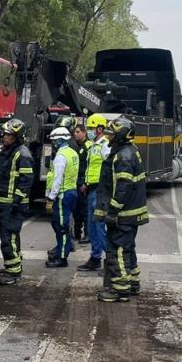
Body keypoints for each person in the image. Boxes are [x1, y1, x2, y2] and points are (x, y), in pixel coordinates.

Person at [94, 116, 148, 303]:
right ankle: (133, 283)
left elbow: (122, 188)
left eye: (112, 134)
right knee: (128, 248)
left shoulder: (122, 156)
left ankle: (120, 289)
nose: (108, 137)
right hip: (132, 213)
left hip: (123, 215)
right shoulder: (130, 151)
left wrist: (112, 212)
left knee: (117, 250)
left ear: (121, 135)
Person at [0, 119, 35, 285]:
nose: (4, 137)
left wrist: (17, 200)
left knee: (9, 238)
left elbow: (26, 180)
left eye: (8, 134)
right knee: (10, 237)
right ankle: (12, 266)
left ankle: (14, 272)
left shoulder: (22, 154)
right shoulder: (8, 151)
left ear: (17, 136)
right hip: (4, 203)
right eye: (4, 134)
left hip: (13, 205)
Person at [78, 114, 110, 272]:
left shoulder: (105, 145)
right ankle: (95, 258)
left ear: (99, 128)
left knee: (98, 226)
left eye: (91, 128)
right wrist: (86, 183)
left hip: (99, 191)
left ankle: (111, 260)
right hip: (91, 189)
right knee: (91, 227)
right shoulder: (92, 146)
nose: (89, 131)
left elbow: (108, 169)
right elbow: (91, 168)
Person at [46, 126, 80, 268]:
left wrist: (50, 197)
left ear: (60, 140)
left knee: (62, 227)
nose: (53, 143)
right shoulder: (72, 153)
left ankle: (61, 257)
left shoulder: (60, 156)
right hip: (72, 192)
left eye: (54, 141)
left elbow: (58, 179)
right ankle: (60, 251)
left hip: (62, 194)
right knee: (61, 224)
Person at [72, 124, 91, 244]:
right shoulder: (75, 146)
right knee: (76, 209)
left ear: (84, 133)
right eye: (74, 132)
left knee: (85, 210)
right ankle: (77, 233)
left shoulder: (88, 146)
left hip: (83, 181)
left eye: (78, 132)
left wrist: (86, 182)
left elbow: (91, 166)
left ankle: (88, 234)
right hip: (76, 181)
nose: (75, 134)